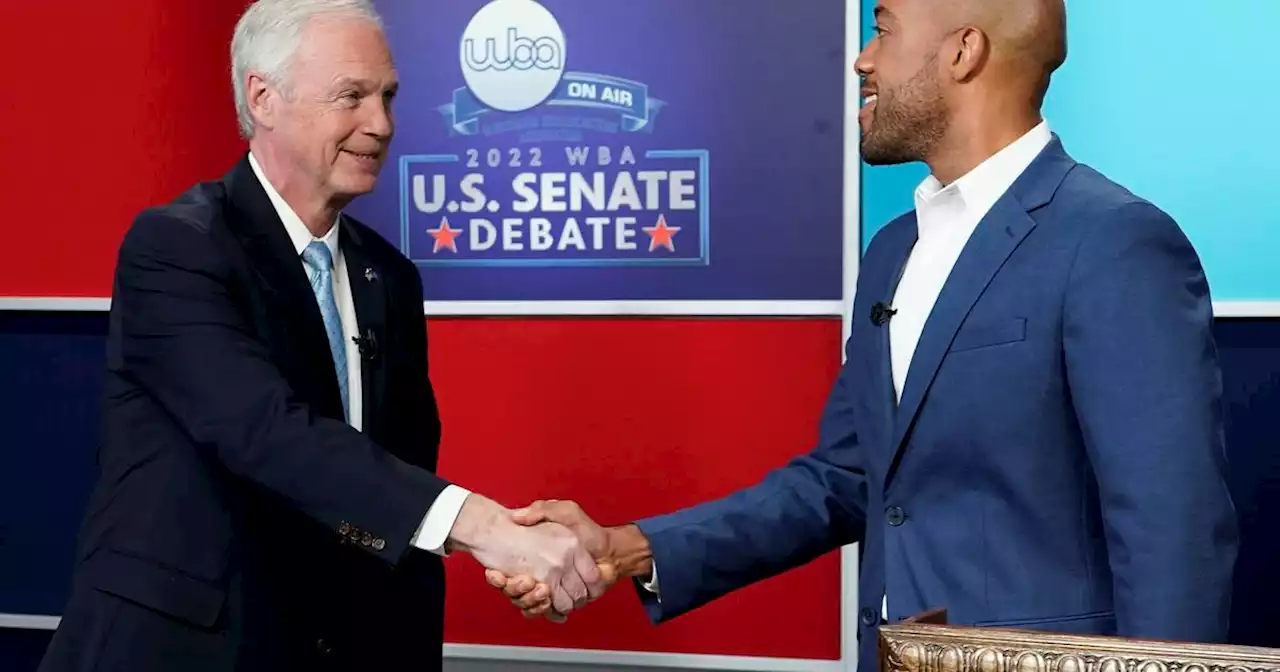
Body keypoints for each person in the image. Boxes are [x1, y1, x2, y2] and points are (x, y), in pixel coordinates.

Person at [487, 0, 1238, 666]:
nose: (862, 57)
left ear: (962, 51)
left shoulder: (1116, 243)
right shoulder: (891, 252)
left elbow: (1173, 534)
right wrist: (628, 547)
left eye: (881, 28)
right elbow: (845, 480)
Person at [37, 1, 603, 670]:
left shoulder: (389, 276)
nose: (382, 124)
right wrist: (483, 529)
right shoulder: (176, 248)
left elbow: (393, 481)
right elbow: (268, 433)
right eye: (352, 96)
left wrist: (508, 553)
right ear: (263, 97)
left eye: (388, 96)